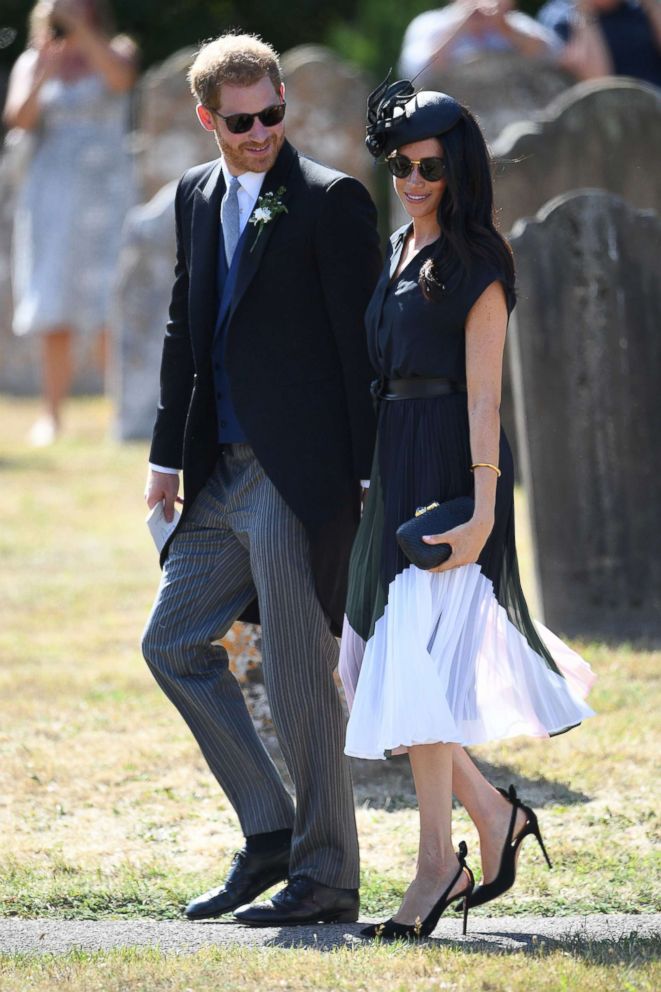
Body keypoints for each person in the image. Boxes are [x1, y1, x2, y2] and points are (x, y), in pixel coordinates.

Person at [338, 77, 596, 939]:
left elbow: (485, 398)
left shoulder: (479, 260)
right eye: (399, 163)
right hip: (393, 467)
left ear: (459, 171)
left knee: (412, 678)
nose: (411, 179)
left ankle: (432, 868)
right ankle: (494, 816)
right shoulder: (396, 246)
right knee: (368, 670)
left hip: (454, 472)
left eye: (430, 167)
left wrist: (483, 509)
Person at [141, 32, 381, 927]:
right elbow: (182, 334)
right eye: (239, 122)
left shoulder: (331, 201)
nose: (259, 133)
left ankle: (328, 876)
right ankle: (271, 832)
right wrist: (167, 460)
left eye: (272, 114)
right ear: (209, 119)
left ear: (284, 100)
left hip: (295, 475)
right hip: (215, 475)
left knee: (295, 673)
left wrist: (362, 483)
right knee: (171, 645)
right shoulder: (194, 197)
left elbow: (361, 353)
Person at [2, 0, 138, 445]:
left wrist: (83, 35)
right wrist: (44, 67)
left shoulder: (117, 48)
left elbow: (120, 80)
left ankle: (123, 411)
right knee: (53, 301)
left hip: (107, 194)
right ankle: (51, 415)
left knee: (109, 302)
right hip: (52, 196)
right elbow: (18, 116)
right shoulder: (34, 58)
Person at [400, 0, 558, 81]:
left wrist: (504, 28)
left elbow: (555, 57)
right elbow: (414, 73)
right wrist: (459, 28)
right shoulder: (429, 24)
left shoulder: (515, 23)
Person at [538, 0, 661, 86]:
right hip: (609, 115)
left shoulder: (641, 9)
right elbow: (598, 81)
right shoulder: (559, 16)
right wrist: (584, 13)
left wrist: (650, 3)